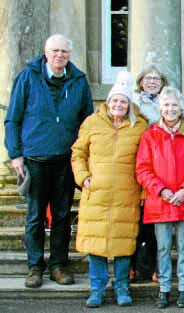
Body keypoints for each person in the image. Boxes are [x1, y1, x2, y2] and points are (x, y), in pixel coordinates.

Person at [4, 34, 93, 289]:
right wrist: (15, 154)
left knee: (63, 216)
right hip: (34, 159)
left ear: (70, 54)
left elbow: (87, 123)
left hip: (66, 159)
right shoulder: (28, 77)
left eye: (64, 51)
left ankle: (58, 265)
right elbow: (13, 119)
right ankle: (35, 267)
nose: (59, 55)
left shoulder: (79, 81)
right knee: (34, 217)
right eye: (54, 51)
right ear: (45, 52)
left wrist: (85, 157)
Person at [71, 71, 148, 308]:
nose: (118, 105)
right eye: (115, 100)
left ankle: (122, 286)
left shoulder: (140, 126)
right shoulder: (92, 122)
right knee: (96, 243)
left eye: (123, 101)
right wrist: (83, 178)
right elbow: (78, 153)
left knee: (124, 244)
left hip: (127, 193)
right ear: (108, 101)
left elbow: (147, 160)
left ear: (129, 104)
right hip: (97, 193)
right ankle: (97, 288)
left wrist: (144, 192)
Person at [136, 87, 184, 309]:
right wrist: (161, 190)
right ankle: (165, 289)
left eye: (174, 105)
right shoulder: (150, 136)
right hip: (160, 202)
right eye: (166, 105)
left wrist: (183, 190)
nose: (170, 109)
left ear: (181, 108)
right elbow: (143, 169)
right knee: (163, 247)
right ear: (160, 108)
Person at [130, 64, 169, 283]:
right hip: (138, 164)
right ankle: (133, 266)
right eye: (148, 78)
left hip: (161, 166)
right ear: (141, 81)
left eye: (156, 78)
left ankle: (156, 266)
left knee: (156, 222)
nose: (152, 82)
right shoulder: (133, 103)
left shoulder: (169, 102)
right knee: (136, 221)